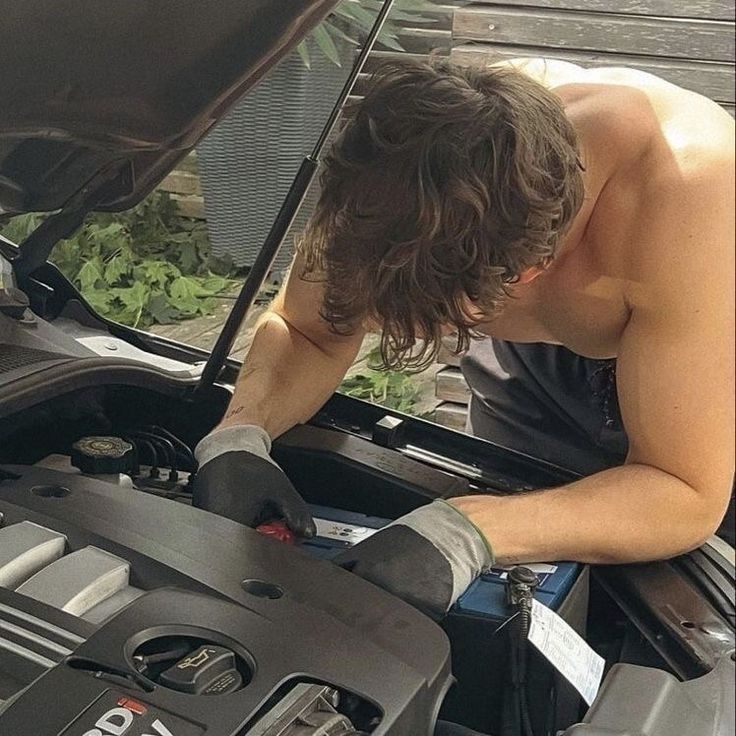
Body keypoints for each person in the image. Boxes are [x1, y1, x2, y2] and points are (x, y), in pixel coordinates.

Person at [192, 58, 735, 621]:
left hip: (704, 349)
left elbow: (683, 490)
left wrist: (469, 527)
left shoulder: (684, 195)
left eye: (439, 318)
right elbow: (309, 330)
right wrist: (240, 434)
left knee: (697, 599)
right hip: (539, 367)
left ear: (529, 274)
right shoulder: (394, 175)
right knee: (535, 566)